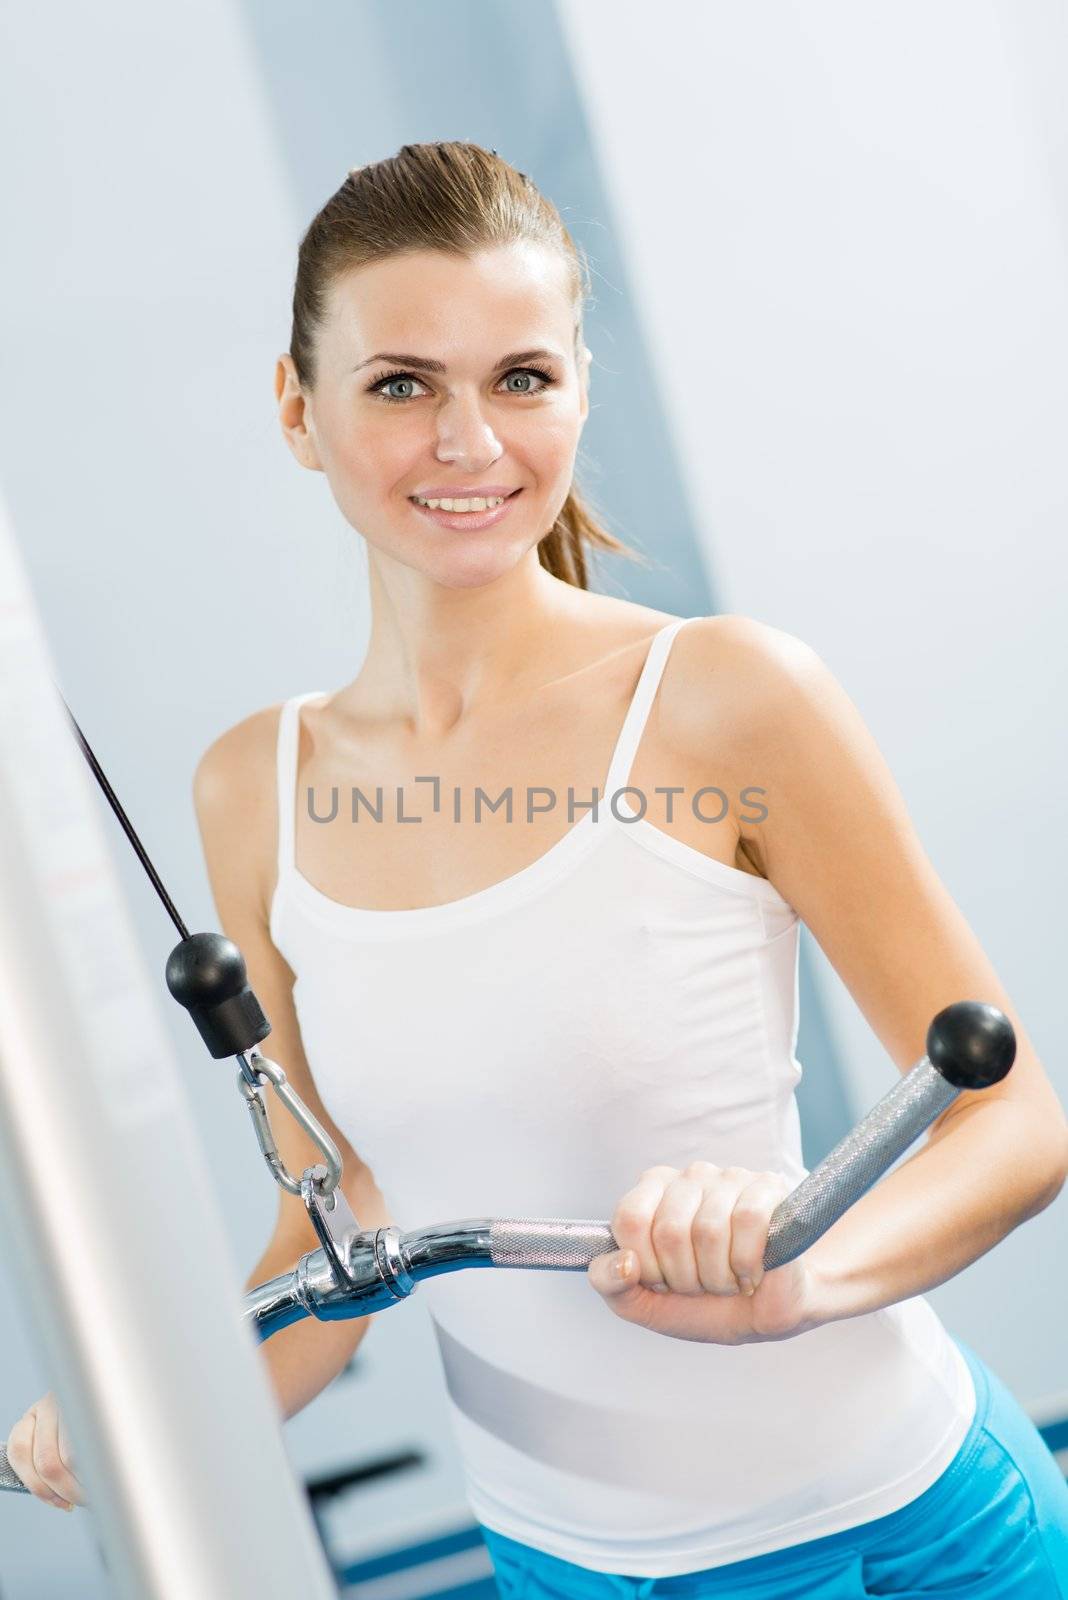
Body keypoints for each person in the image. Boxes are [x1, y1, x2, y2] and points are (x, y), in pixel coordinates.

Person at [10, 141, 1068, 1598]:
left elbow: (1012, 1127)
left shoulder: (726, 697)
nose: (468, 444)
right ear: (297, 410)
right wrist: (153, 1421)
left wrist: (795, 1280)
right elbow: (348, 1219)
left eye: (519, 377)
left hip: (899, 1532)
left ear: (578, 384)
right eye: (401, 384)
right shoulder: (252, 785)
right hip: (555, 1564)